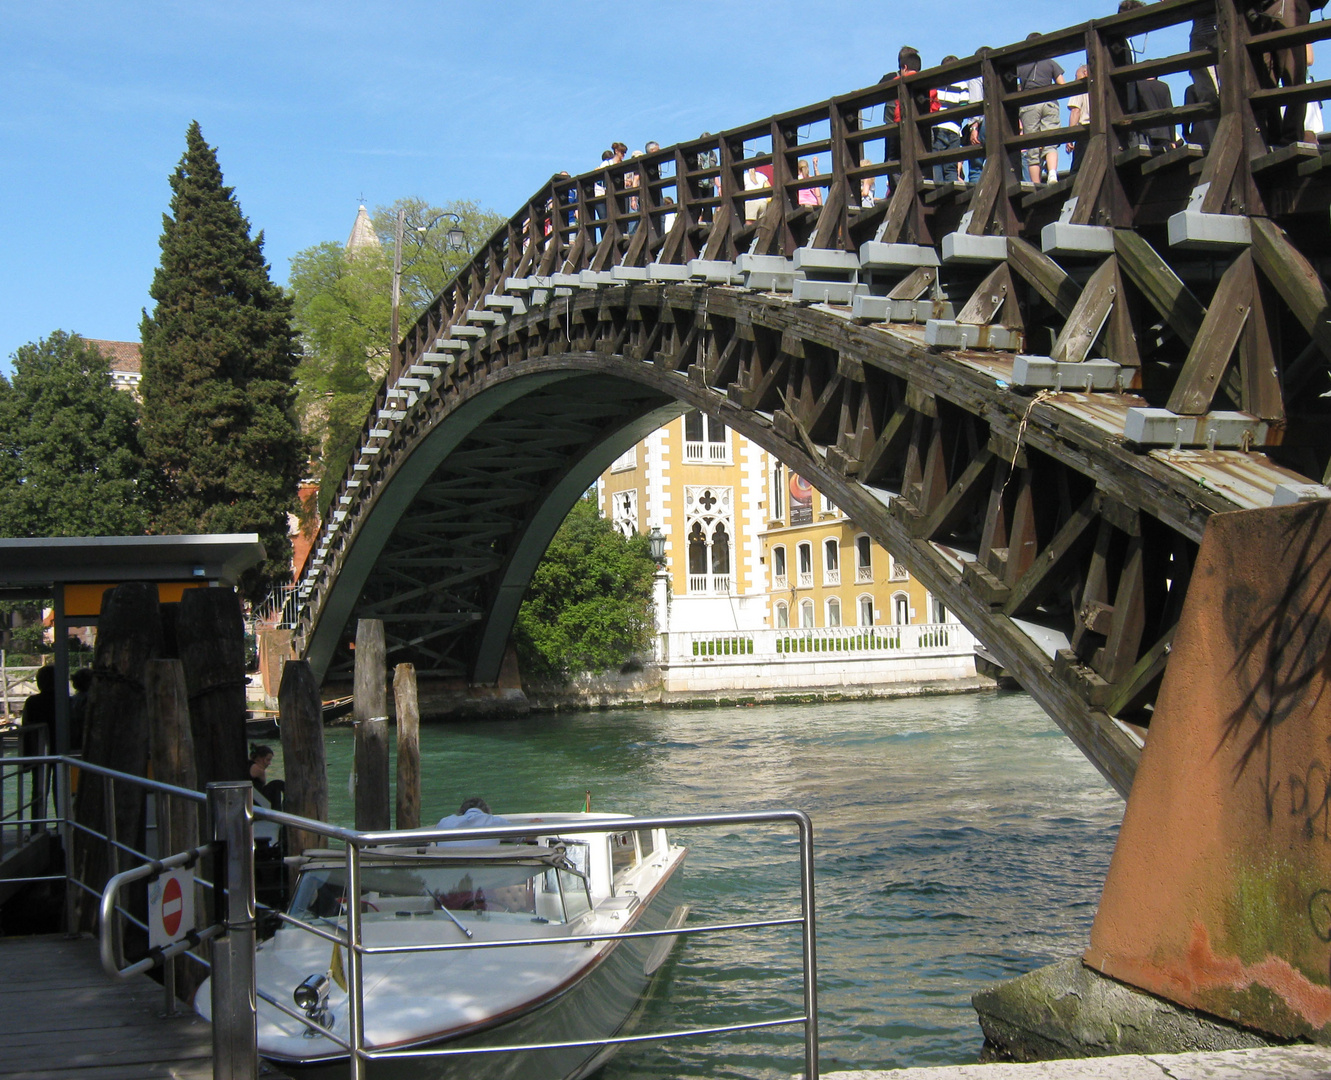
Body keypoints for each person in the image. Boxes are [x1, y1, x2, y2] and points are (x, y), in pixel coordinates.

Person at [1016, 34, 1065, 184]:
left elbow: (1014, 89)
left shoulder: (1020, 67)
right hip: (1049, 102)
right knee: (1050, 140)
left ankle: (1036, 183)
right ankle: (1052, 174)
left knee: (1032, 146)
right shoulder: (1050, 63)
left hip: (1029, 105)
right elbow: (1062, 84)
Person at [20, 665, 55, 829]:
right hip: (60, 748)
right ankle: (61, 822)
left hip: (38, 751)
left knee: (39, 789)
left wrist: (25, 758)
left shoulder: (33, 702)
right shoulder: (64, 700)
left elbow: (25, 728)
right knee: (61, 788)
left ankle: (36, 825)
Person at [934, 57, 968, 182]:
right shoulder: (962, 84)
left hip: (938, 127)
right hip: (954, 128)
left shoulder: (936, 84)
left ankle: (937, 189)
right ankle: (951, 195)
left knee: (936, 161)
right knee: (951, 167)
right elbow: (964, 105)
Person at [434, 796, 512, 847]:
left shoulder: (444, 822)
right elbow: (522, 836)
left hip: (447, 867)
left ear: (461, 813)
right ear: (487, 812)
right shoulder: (496, 821)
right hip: (485, 868)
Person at [1066, 66, 1091, 173]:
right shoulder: (1102, 85)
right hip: (1103, 129)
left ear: (1085, 72)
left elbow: (1075, 111)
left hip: (1084, 132)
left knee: (1077, 169)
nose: (1076, 79)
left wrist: (1070, 136)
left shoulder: (1080, 87)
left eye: (1076, 76)